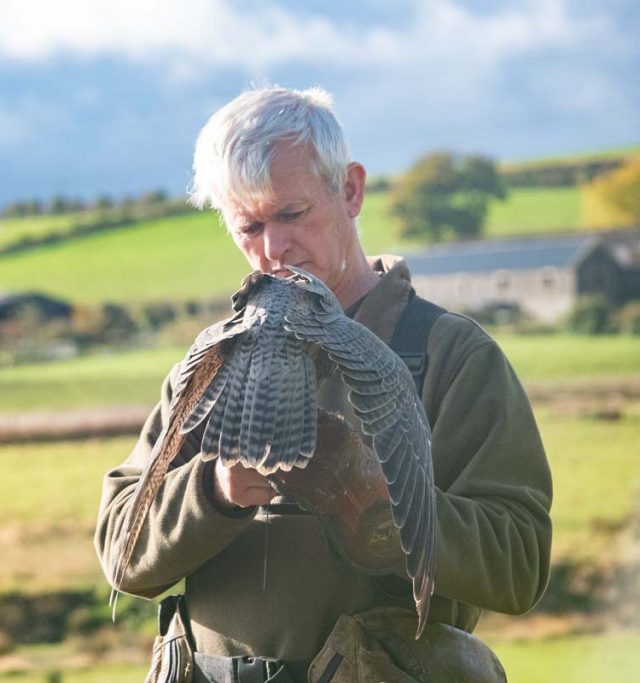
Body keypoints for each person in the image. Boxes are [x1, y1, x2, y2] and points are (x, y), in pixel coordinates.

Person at [94, 86, 552, 682]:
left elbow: (518, 565)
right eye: (249, 225)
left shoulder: (448, 355)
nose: (273, 248)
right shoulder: (214, 357)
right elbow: (122, 554)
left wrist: (378, 510)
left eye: (291, 214)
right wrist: (215, 489)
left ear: (351, 190)